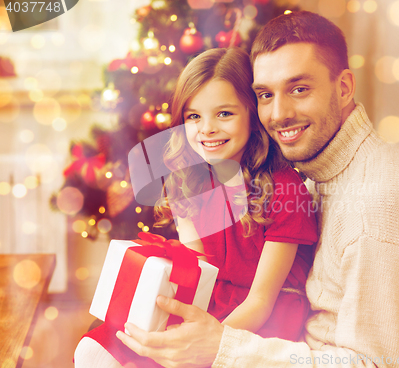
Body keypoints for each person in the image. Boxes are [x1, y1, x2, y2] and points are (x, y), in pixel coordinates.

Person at [114, 10, 399, 368]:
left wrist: (221, 348)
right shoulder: (315, 170)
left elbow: (371, 363)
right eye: (265, 95)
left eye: (299, 89)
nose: (278, 113)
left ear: (344, 87)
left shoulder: (379, 202)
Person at [74, 47, 317, 367]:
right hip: (208, 302)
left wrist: (203, 343)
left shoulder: (285, 190)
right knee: (98, 349)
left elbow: (261, 301)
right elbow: (197, 275)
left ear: (252, 113)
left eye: (225, 114)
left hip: (261, 319)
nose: (207, 128)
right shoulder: (187, 182)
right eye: (194, 116)